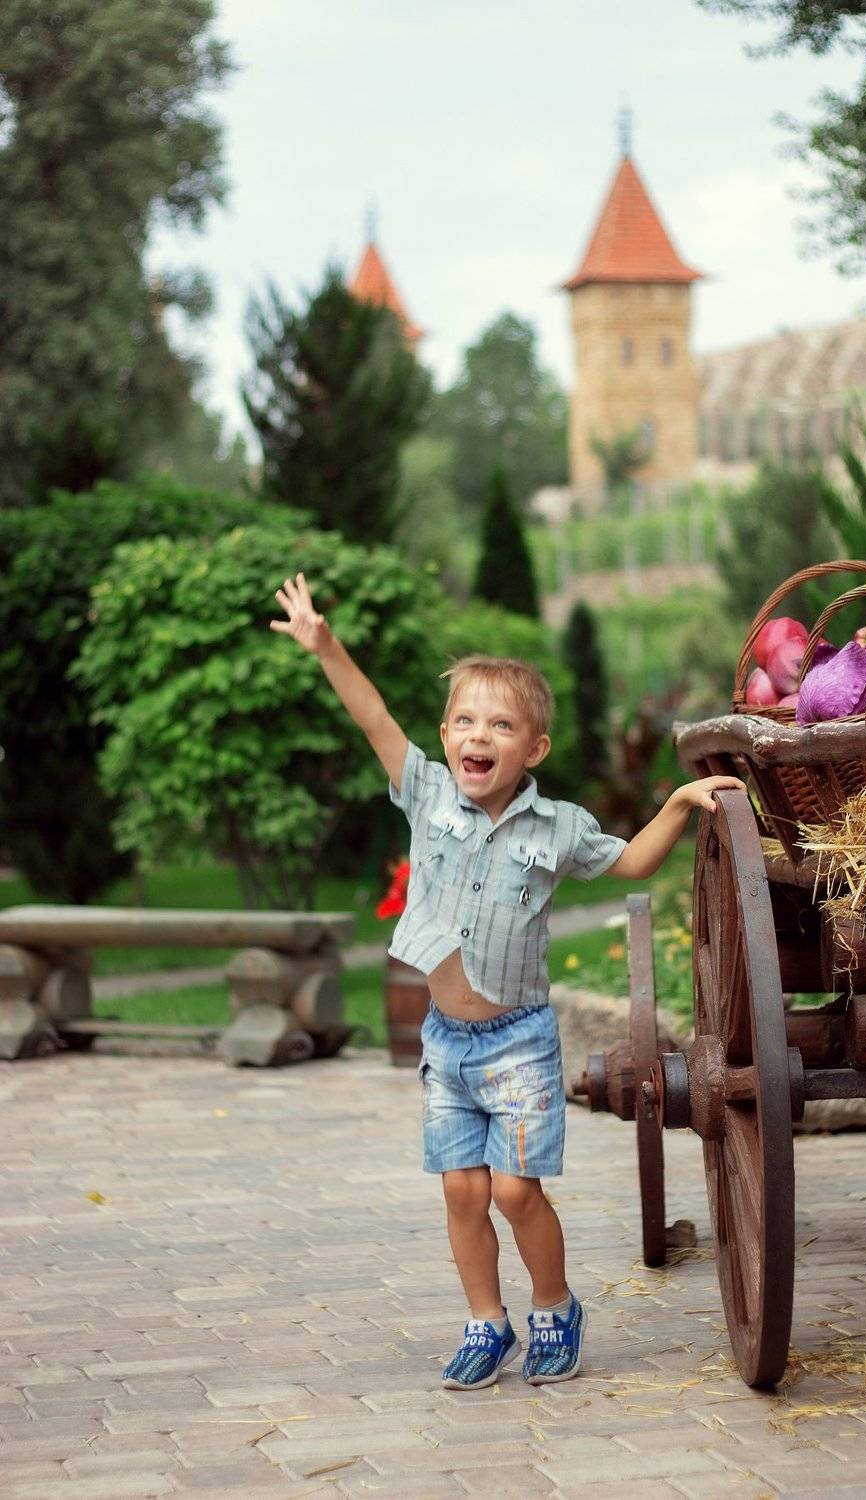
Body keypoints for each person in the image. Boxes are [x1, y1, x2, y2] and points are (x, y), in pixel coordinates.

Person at [271, 572, 745, 1390]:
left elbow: (631, 861)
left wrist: (676, 802)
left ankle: (554, 1308)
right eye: (464, 721)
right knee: (462, 1192)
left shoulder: (558, 829)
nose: (476, 736)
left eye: (499, 724)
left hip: (519, 1043)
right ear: (445, 736)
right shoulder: (426, 794)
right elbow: (373, 717)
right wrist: (325, 646)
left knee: (516, 1192)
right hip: (446, 1043)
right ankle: (486, 1323)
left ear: (534, 749)